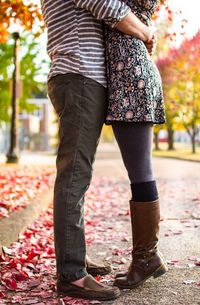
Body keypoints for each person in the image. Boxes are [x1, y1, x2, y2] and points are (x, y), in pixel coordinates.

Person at [41, 0, 157, 301]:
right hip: (80, 76)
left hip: (78, 76)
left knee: (79, 173)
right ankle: (72, 275)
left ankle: (75, 257)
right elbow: (109, 7)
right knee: (74, 175)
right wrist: (146, 33)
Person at [105, 0, 168, 289]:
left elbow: (113, 12)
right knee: (141, 169)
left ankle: (147, 258)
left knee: (140, 171)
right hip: (134, 69)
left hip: (129, 76)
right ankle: (147, 256)